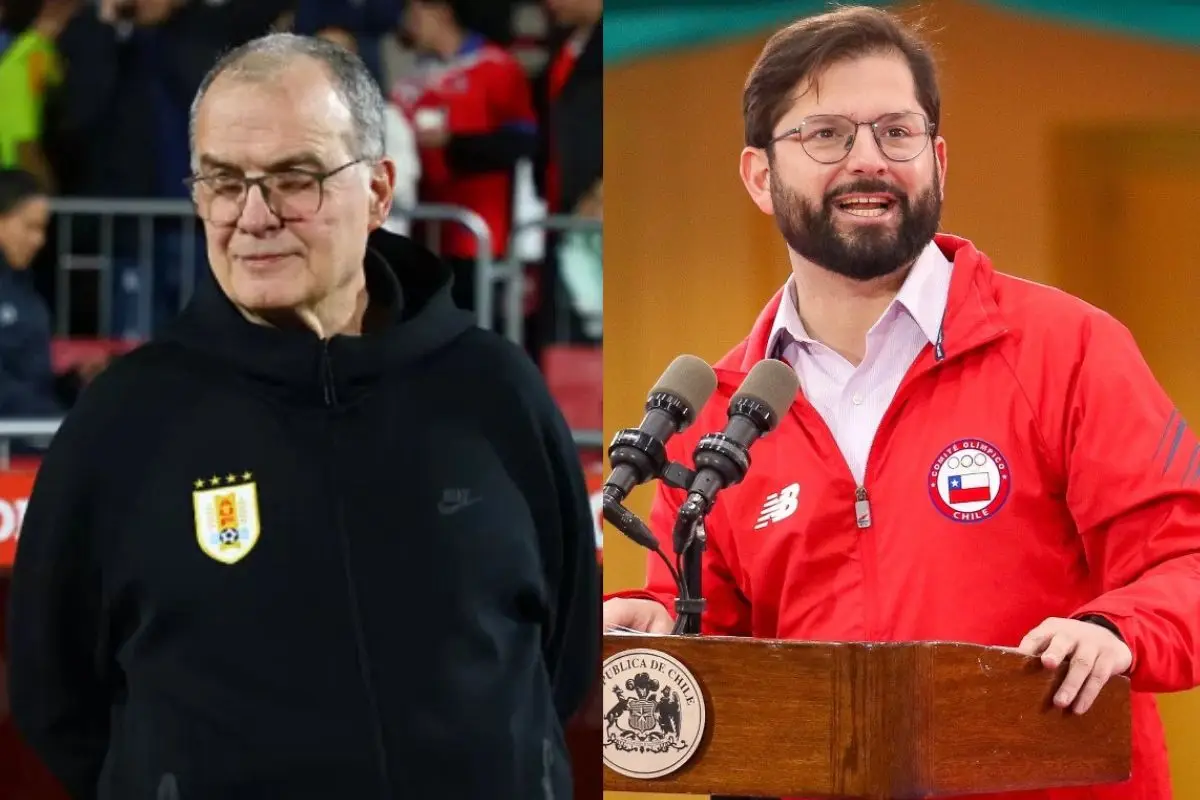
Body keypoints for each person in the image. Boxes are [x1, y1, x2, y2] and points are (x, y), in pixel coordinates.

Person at [603, 7, 1200, 800]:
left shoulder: (1069, 349)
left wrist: (1115, 630)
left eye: (897, 132)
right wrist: (659, 628)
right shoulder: (717, 418)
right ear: (759, 176)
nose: (868, 160)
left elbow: (1184, 560)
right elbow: (713, 649)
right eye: (826, 135)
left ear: (937, 159)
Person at [6, 33, 598, 800]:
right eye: (224, 182)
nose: (254, 216)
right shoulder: (122, 421)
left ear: (378, 192)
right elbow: (57, 696)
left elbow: (563, 653)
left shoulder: (497, 392)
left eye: (295, 180)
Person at [392, 0, 536, 316]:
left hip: (478, 236)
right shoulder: (410, 80)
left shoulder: (497, 67)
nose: (407, 22)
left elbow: (523, 141)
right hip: (424, 234)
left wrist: (454, 144)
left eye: (414, 12)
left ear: (441, 12)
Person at [0, 168, 105, 433]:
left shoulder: (24, 288)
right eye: (30, 227)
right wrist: (51, 419)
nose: (39, 240)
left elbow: (33, 381)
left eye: (43, 229)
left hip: (33, 428)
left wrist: (73, 382)